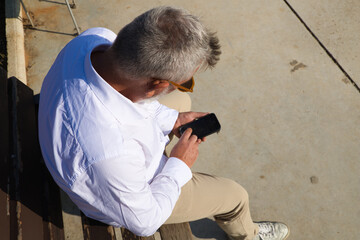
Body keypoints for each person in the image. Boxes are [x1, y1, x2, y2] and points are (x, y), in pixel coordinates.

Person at [38, 6, 289, 240]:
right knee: (235, 197)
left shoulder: (93, 40)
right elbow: (145, 221)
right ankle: (249, 233)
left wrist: (174, 120)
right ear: (156, 85)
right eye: (186, 81)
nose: (188, 87)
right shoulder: (110, 154)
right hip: (130, 191)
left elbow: (140, 102)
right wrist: (178, 165)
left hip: (87, 135)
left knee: (180, 102)